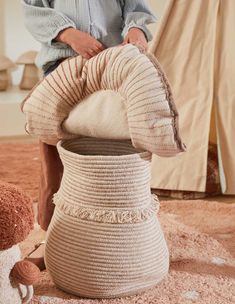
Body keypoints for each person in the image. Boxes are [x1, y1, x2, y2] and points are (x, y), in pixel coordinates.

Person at [21, 0, 157, 236]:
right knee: (54, 147)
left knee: (121, 144)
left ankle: (121, 227)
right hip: (62, 64)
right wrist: (69, 34)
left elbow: (135, 7)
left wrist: (136, 29)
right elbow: (32, 10)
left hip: (114, 64)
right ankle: (49, 233)